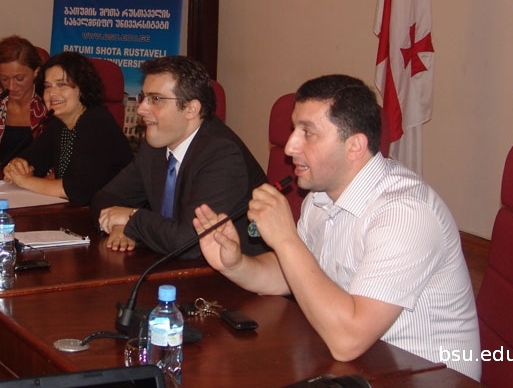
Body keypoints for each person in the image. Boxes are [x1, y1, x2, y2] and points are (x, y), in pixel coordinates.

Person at [193, 74, 481, 380]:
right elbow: (291, 274)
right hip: (363, 367)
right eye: (294, 130)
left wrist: (286, 239)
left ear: (354, 146)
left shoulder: (405, 214)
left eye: (308, 133)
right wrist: (235, 264)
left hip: (424, 377)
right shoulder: (319, 198)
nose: (289, 147)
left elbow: (347, 342)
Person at [90, 56, 268, 259]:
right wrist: (119, 226)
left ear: (191, 109)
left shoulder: (222, 154)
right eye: (143, 97)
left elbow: (188, 242)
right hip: (172, 264)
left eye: (155, 99)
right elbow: (105, 197)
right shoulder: (155, 146)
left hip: (233, 272)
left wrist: (132, 218)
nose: (140, 109)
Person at [3, 51, 131, 206]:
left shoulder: (96, 123)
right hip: (77, 211)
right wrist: (17, 165)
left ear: (82, 88)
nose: (52, 93)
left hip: (114, 214)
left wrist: (24, 180)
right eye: (48, 86)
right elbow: (33, 160)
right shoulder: (59, 123)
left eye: (61, 85)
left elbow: (77, 190)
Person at [0, 36, 50, 163]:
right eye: (5, 79)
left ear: (36, 72)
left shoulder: (49, 106)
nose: (11, 86)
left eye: (19, 78)